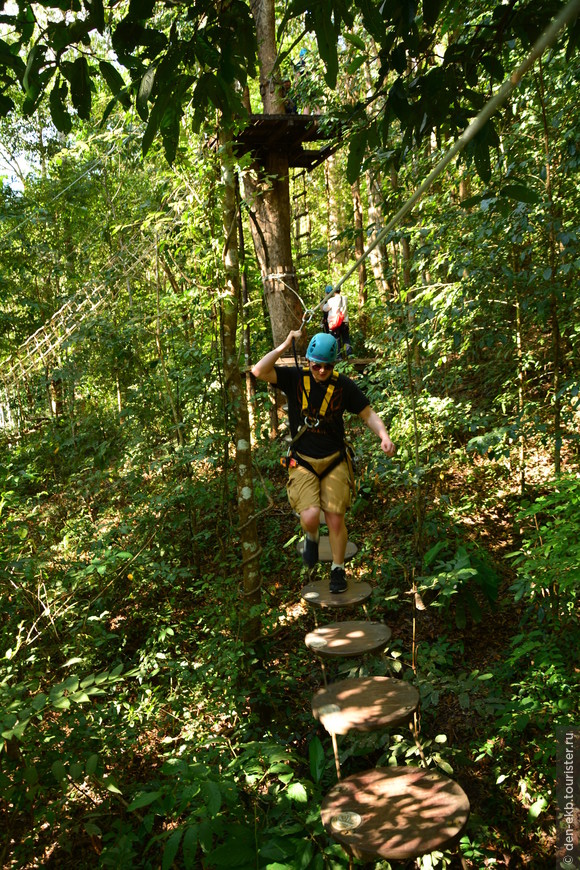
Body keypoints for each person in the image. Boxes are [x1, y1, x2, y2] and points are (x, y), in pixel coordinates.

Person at [252, 330, 395, 593]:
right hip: (303, 461)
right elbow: (259, 371)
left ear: (334, 365)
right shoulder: (295, 378)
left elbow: (367, 413)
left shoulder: (343, 386)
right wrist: (285, 344)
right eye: (316, 365)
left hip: (334, 460)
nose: (320, 371)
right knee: (309, 516)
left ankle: (337, 569)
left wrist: (384, 436)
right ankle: (312, 537)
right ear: (308, 362)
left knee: (336, 519)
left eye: (326, 366)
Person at [323, 288, 353, 357]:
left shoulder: (331, 300)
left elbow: (325, 308)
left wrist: (326, 299)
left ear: (333, 292)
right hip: (344, 322)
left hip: (335, 322)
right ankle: (349, 355)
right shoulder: (345, 298)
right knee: (346, 339)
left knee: (336, 339)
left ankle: (338, 356)